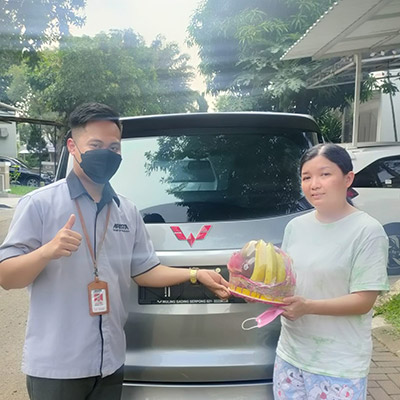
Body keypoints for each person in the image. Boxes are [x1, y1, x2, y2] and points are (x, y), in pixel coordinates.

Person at [0, 102, 230, 400]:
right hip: (57, 367)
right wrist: (47, 251)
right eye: (95, 145)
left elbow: (146, 271)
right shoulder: (40, 204)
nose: (106, 154)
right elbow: (7, 277)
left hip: (110, 364)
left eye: (114, 147)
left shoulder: (126, 210)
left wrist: (196, 274)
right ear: (72, 146)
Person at [273, 143, 389, 400]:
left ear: (348, 178)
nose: (314, 184)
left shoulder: (367, 231)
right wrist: (256, 289)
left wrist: (308, 307)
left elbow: (363, 301)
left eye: (325, 174)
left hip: (338, 364)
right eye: (306, 177)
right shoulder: (295, 227)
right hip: (291, 355)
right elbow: (287, 281)